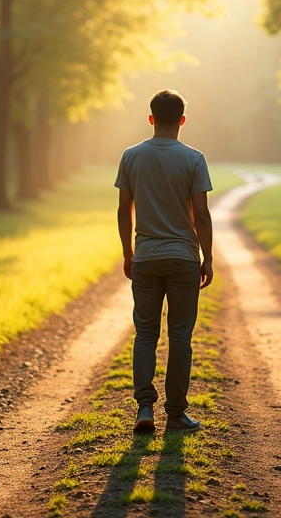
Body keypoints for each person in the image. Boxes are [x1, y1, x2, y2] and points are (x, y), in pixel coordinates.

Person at [115, 89, 214, 435]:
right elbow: (200, 215)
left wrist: (129, 254)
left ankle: (144, 407)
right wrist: (208, 257)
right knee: (180, 336)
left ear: (151, 118)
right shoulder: (194, 159)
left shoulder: (131, 156)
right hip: (184, 258)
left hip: (146, 258)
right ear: (182, 120)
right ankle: (176, 413)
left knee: (145, 333)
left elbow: (123, 211)